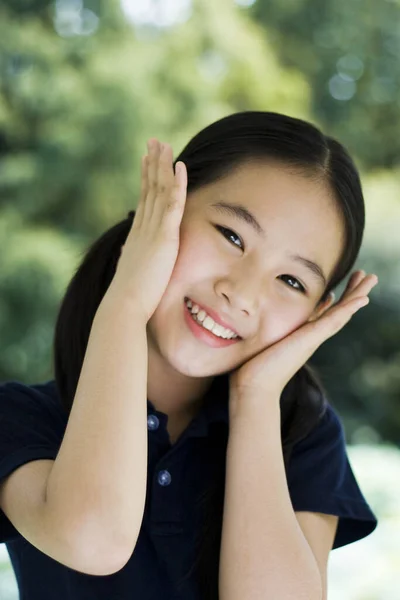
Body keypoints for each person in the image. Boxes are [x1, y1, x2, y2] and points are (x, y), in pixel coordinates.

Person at [0, 111, 379, 600]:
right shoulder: (21, 420)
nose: (241, 294)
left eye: (292, 281)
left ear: (314, 315)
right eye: (233, 236)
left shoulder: (303, 437)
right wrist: (126, 301)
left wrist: (257, 398)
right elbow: (92, 539)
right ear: (165, 209)